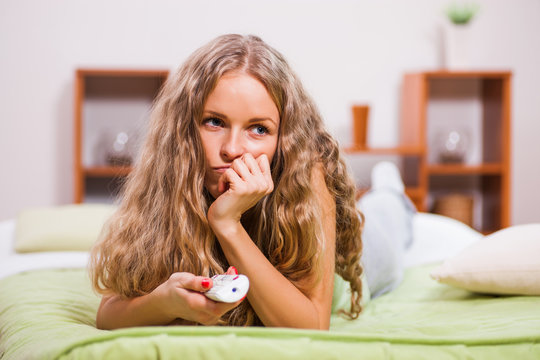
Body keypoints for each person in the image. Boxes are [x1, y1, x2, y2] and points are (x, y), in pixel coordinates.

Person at [89, 34, 364, 330]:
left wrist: (227, 224)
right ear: (185, 129)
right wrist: (163, 302)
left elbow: (312, 326)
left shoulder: (306, 171)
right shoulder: (170, 182)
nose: (232, 149)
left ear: (283, 139)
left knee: (388, 231)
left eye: (258, 129)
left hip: (351, 264)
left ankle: (391, 195)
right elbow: (108, 315)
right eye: (214, 122)